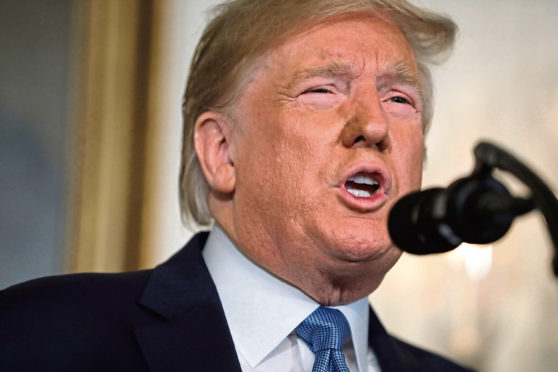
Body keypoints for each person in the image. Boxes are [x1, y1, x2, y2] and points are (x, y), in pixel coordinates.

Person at [0, 0, 474, 371]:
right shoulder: (38, 335)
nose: (374, 125)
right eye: (322, 90)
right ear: (222, 151)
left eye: (398, 98)